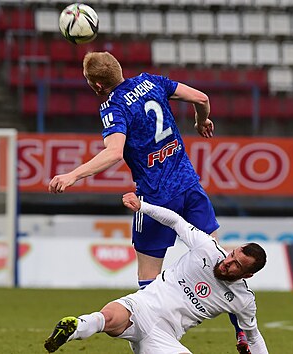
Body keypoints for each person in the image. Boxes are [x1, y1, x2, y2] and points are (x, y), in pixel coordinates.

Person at [47, 52, 249, 352]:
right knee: (219, 262)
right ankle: (242, 334)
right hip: (190, 188)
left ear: (98, 85)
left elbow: (114, 152)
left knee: (148, 278)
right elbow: (201, 97)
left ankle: (152, 338)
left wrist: (74, 174)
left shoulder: (112, 105)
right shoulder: (150, 81)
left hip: (154, 198)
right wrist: (201, 120)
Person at [44, 192, 269, 354]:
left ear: (247, 275)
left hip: (163, 335)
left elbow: (254, 336)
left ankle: (80, 326)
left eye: (237, 265)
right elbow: (175, 220)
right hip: (142, 306)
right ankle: (74, 327)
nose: (227, 262)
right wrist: (142, 206)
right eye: (232, 255)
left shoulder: (243, 300)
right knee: (109, 317)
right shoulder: (207, 248)